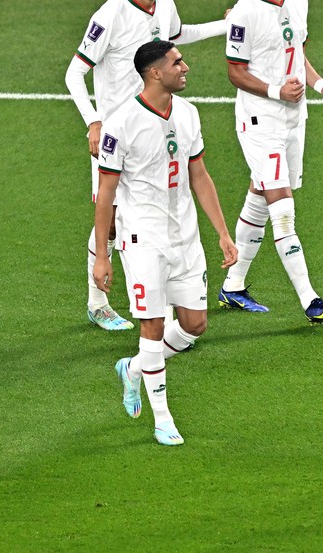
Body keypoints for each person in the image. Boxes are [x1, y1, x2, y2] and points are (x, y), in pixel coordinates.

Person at [67, 0, 227, 331]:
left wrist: (227, 25)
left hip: (155, 127)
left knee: (160, 206)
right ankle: (98, 302)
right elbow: (74, 73)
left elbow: (177, 34)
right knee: (111, 222)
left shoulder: (165, 2)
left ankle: (164, 296)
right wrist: (93, 121)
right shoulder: (111, 14)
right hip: (116, 134)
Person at [93, 40, 237, 446]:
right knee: (152, 326)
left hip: (186, 238)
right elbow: (106, 193)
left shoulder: (189, 114)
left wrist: (223, 233)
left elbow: (200, 175)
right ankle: (162, 418)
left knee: (195, 324)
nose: (185, 67)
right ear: (155, 72)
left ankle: (134, 368)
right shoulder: (121, 123)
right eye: (177, 62)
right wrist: (102, 258)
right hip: (143, 240)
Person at [217, 0, 323, 324]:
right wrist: (275, 91)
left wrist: (320, 85)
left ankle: (233, 286)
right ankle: (310, 300)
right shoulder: (243, 13)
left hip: (294, 118)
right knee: (282, 208)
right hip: (260, 122)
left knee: (260, 192)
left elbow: (295, 51)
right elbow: (235, 72)